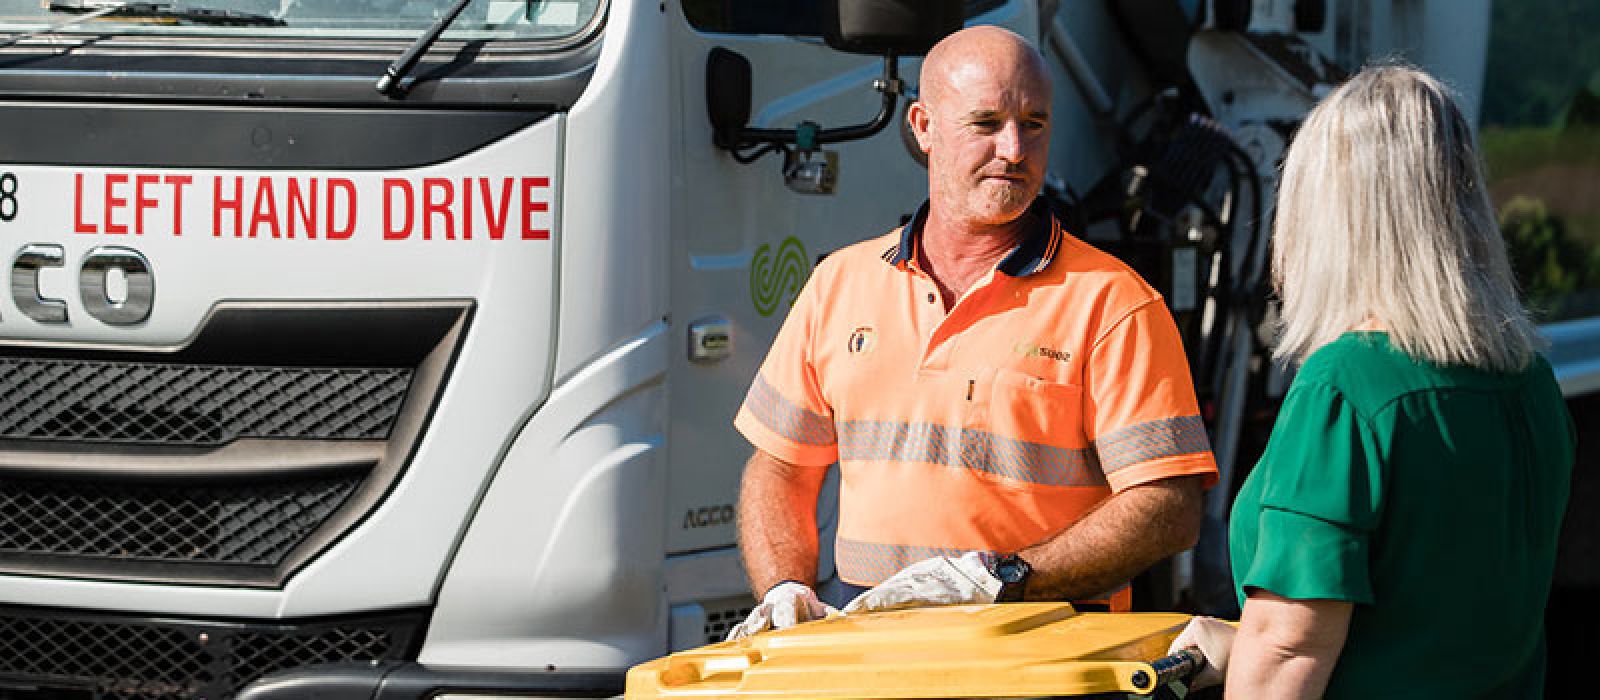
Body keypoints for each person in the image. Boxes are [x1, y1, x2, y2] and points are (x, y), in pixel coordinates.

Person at [726, 25, 1218, 639]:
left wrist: (1005, 577)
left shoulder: (1114, 301)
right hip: (871, 657)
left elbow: (1169, 509)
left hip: (1040, 662)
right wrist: (784, 587)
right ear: (923, 127)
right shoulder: (840, 284)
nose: (1014, 149)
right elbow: (779, 469)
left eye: (1034, 123)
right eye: (985, 124)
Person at [1168, 64, 1574, 697]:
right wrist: (1239, 640)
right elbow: (1433, 611)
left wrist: (1255, 646)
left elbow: (1288, 643)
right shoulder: (1529, 383)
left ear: (1333, 212)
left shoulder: (1346, 387)